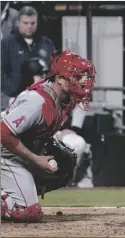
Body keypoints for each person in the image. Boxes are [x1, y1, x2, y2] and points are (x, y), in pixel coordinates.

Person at [1, 50, 96, 222]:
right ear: (59, 79)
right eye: (76, 76)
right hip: (4, 151)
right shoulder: (37, 102)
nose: (83, 81)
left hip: (17, 148)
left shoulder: (67, 98)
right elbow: (3, 133)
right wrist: (35, 159)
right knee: (29, 213)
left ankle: (14, 192)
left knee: (66, 166)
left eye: (84, 76)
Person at [1, 6, 55, 110]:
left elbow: (54, 69)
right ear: (18, 23)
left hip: (41, 97)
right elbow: (1, 71)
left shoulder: (46, 43)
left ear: (37, 22)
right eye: (25, 23)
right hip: (15, 98)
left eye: (32, 23)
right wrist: (11, 92)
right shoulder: (7, 43)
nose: (29, 26)